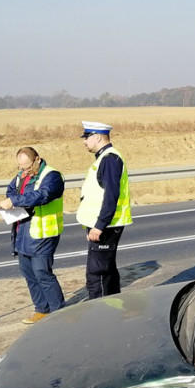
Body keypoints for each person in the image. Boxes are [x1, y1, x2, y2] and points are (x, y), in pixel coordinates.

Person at [0, 147, 65, 323]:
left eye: (26, 167)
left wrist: (16, 200)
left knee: (42, 272)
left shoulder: (52, 176)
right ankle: (41, 309)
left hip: (43, 233)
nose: (23, 171)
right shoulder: (22, 175)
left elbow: (44, 194)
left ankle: (58, 312)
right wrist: (13, 199)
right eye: (20, 167)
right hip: (23, 230)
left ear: (37, 160)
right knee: (28, 273)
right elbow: (11, 190)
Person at [76, 121, 132, 298]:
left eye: (87, 137)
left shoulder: (109, 159)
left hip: (106, 226)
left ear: (98, 137)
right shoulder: (105, 158)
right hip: (104, 224)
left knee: (97, 274)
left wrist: (99, 225)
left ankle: (99, 315)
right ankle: (113, 311)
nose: (84, 141)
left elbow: (110, 196)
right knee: (106, 271)